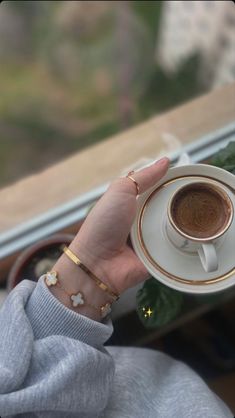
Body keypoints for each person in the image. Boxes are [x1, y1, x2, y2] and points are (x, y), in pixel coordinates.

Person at [0, 157, 232, 418]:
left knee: (180, 357)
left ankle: (198, 349)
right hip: (165, 379)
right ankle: (208, 351)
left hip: (144, 375)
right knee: (193, 360)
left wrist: (92, 264)